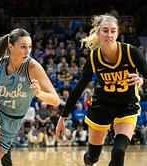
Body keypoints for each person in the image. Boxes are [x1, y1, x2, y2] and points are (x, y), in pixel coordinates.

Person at [55, 14, 147, 166]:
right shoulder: (94, 57)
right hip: (102, 106)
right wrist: (62, 116)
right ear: (98, 33)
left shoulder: (131, 52)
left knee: (118, 151)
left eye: (113, 31)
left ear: (117, 33)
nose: (109, 35)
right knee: (93, 157)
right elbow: (78, 89)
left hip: (127, 106)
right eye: (105, 30)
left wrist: (142, 81)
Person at [0, 28, 60, 166]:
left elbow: (55, 100)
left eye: (30, 47)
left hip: (14, 120)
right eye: (23, 47)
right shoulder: (0, 64)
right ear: (10, 47)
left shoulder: (33, 67)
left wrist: (39, 93)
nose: (28, 51)